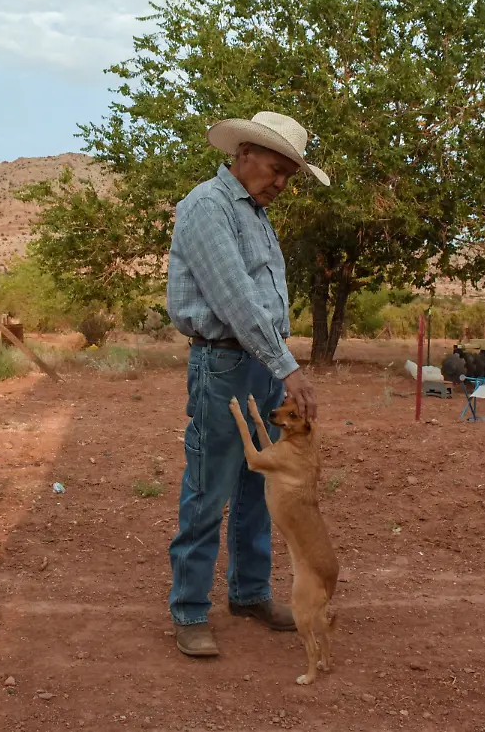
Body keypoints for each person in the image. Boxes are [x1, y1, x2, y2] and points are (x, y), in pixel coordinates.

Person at [165, 110, 327, 657]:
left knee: (260, 487)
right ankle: (189, 609)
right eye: (276, 169)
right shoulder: (208, 208)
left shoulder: (254, 213)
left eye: (289, 175)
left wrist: (279, 362)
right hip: (224, 364)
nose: (281, 183)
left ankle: (250, 592)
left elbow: (264, 303)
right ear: (245, 155)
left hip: (258, 362)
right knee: (210, 487)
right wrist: (289, 367)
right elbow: (236, 301)